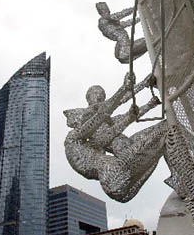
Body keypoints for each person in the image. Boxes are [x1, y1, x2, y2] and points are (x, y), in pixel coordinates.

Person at [64, 73, 167, 202]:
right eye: (95, 94)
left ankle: (184, 180)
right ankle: (187, 183)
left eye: (101, 94)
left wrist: (148, 103)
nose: (99, 97)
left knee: (166, 130)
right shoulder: (87, 120)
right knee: (167, 129)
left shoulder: (106, 122)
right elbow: (111, 110)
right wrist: (130, 87)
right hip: (117, 171)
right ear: (88, 98)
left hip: (126, 158)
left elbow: (120, 105)